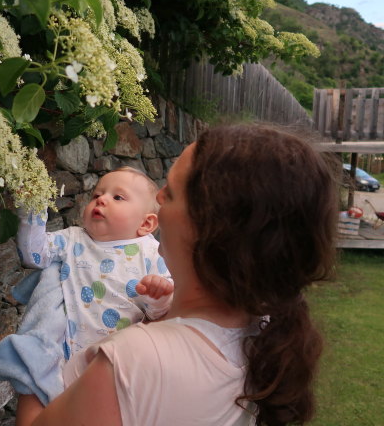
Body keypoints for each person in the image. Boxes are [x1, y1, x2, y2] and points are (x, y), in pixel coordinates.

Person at [17, 123, 338, 426]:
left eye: (169, 193)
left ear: (206, 229)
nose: (157, 198)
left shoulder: (134, 360)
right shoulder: (262, 334)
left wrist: (34, 351)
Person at [0, 166, 174, 420]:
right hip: (67, 360)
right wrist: (33, 210)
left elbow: (162, 315)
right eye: (97, 194)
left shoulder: (152, 253)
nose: (102, 199)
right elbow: (35, 255)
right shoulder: (73, 239)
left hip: (118, 366)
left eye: (117, 197)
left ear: (146, 223)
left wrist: (159, 295)